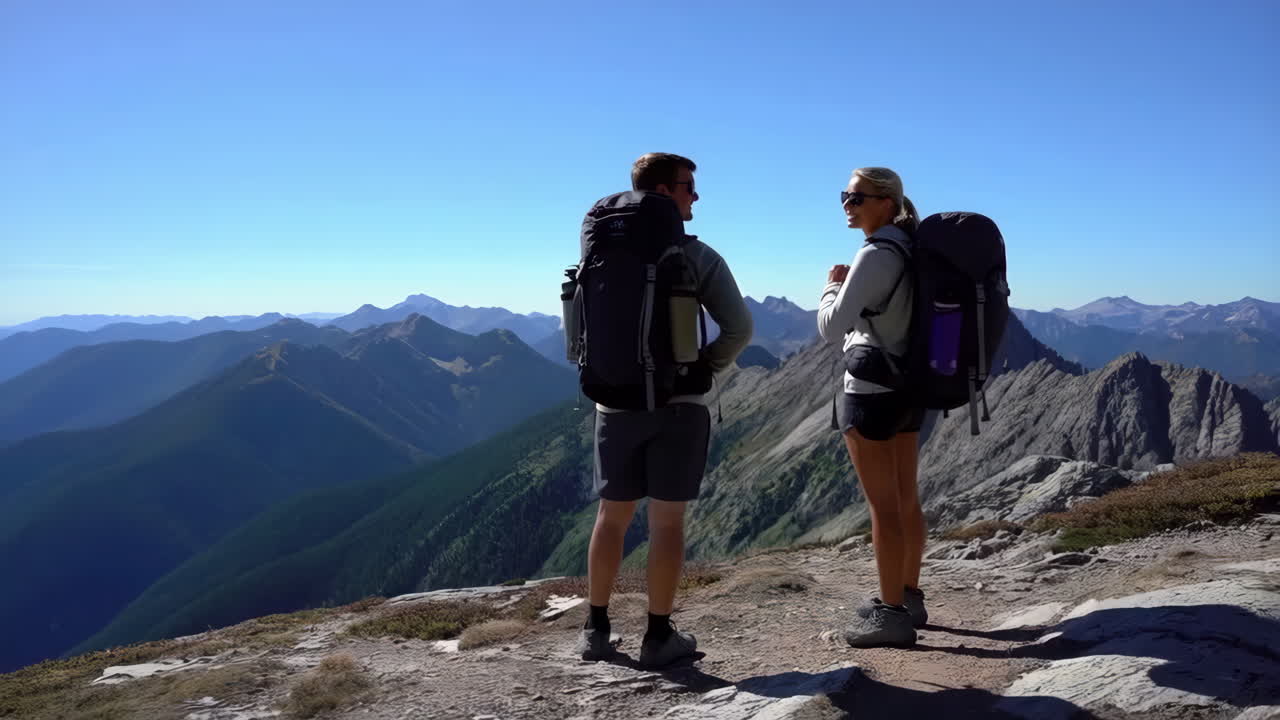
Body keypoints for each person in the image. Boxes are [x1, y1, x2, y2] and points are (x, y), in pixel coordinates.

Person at [577, 152, 753, 667]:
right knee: (667, 524)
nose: (694, 197)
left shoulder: (601, 249)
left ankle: (596, 629)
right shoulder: (697, 256)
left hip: (614, 401)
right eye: (687, 187)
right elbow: (740, 329)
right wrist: (702, 370)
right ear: (662, 191)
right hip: (679, 406)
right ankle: (658, 636)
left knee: (611, 518)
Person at [817, 166, 927, 648]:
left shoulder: (877, 252)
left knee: (883, 506)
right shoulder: (912, 247)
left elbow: (832, 325)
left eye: (856, 197)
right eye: (845, 195)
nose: (847, 204)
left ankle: (890, 614)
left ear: (886, 202)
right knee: (906, 496)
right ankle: (908, 593)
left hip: (871, 392)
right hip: (910, 388)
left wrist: (830, 287)